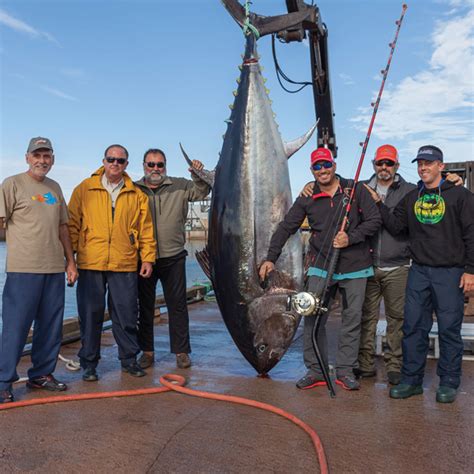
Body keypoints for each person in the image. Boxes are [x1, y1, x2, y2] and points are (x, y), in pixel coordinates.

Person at [259, 148, 381, 391]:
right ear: (311, 170)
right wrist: (270, 258)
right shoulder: (307, 195)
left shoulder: (355, 189)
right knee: (312, 318)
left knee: (352, 319)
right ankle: (315, 369)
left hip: (355, 267)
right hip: (320, 266)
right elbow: (286, 226)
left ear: (334, 165)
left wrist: (351, 237)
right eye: (317, 166)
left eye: (326, 164)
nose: (323, 170)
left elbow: (374, 220)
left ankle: (346, 370)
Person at [364, 145, 474, 403]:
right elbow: (396, 225)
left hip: (450, 272)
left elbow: (472, 234)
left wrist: (470, 270)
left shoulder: (460, 195)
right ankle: (411, 380)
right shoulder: (413, 196)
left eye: (429, 163)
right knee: (413, 327)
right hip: (419, 272)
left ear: (441, 166)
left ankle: (448, 382)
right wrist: (379, 203)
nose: (423, 168)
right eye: (420, 163)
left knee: (448, 329)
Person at [68, 144, 156, 381]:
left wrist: (147, 257)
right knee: (90, 315)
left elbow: (145, 229)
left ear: (126, 164)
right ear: (103, 161)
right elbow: (72, 225)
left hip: (124, 263)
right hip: (90, 262)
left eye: (120, 160)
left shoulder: (136, 194)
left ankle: (128, 360)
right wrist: (70, 261)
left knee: (126, 314)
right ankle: (89, 363)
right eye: (111, 159)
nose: (115, 163)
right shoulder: (84, 189)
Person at [0, 137, 78, 404]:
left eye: (47, 156)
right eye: (37, 155)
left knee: (50, 326)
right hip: (23, 269)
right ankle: (3, 381)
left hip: (54, 268)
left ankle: (41, 374)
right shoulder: (12, 184)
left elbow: (62, 228)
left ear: (53, 160)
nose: (42, 161)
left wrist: (70, 262)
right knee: (15, 327)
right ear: (27, 157)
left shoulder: (55, 187)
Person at [134, 148, 210, 369]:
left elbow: (202, 191)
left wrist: (197, 173)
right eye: (151, 164)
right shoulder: (134, 189)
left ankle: (182, 352)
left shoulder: (181, 185)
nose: (155, 169)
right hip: (143, 258)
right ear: (143, 166)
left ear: (165, 166)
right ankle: (147, 352)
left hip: (173, 256)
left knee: (177, 307)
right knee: (144, 307)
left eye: (160, 165)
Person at [356, 145, 416, 386]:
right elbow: (331, 185)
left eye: (389, 163)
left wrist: (450, 180)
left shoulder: (410, 190)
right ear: (373, 164)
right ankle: (366, 364)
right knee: (366, 317)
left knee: (397, 319)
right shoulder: (360, 188)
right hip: (367, 265)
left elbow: (437, 189)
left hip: (398, 266)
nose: (384, 168)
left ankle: (394, 365)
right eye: (380, 163)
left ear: (397, 166)